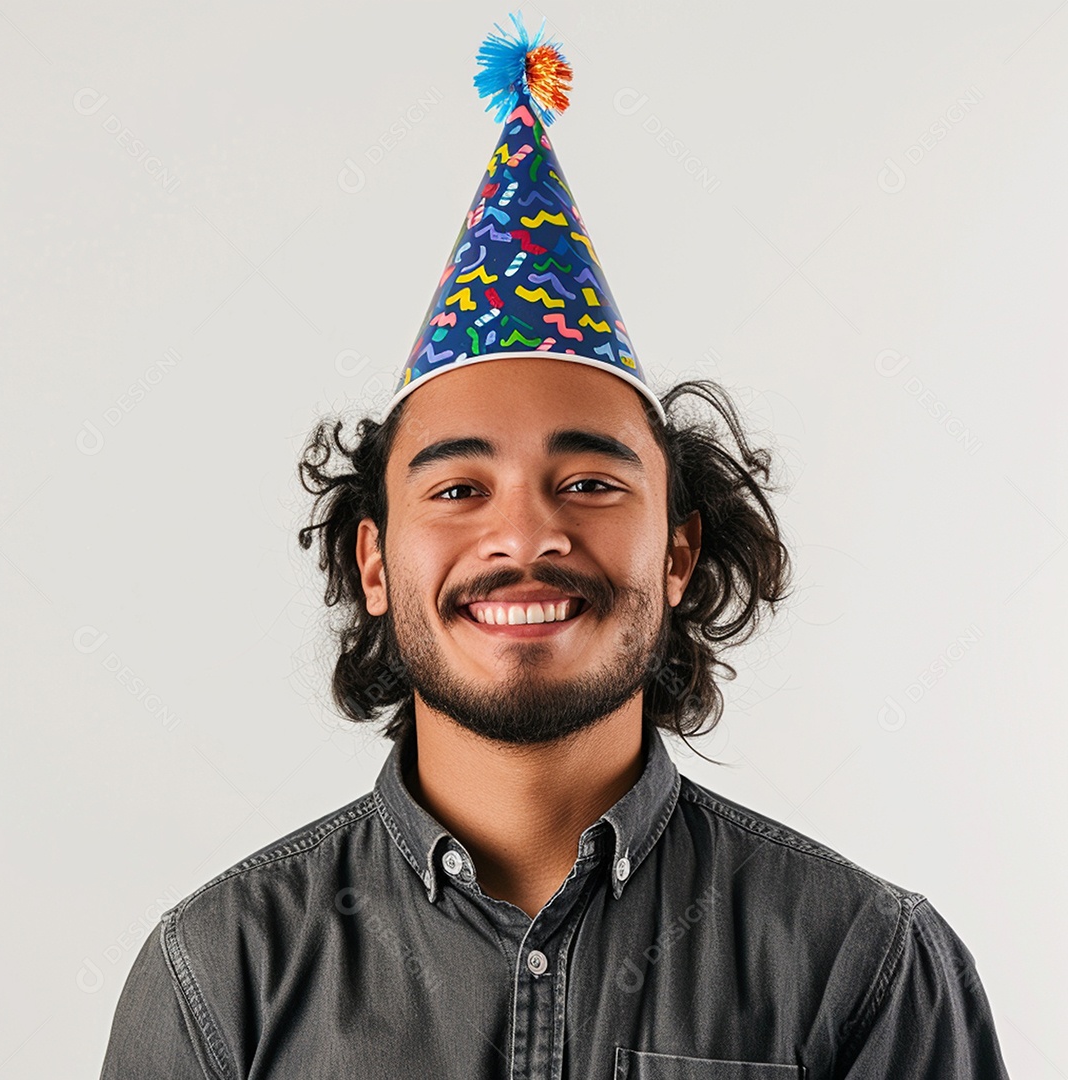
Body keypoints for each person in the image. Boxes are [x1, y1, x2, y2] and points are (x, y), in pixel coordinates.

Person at [99, 13, 1011, 1079]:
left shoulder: (867, 967)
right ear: (376, 563)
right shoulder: (220, 979)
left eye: (588, 483)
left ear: (676, 557)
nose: (527, 533)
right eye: (458, 487)